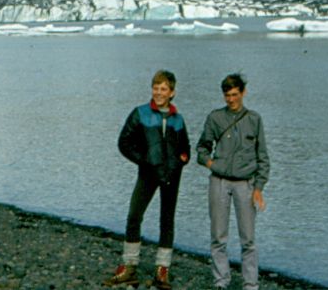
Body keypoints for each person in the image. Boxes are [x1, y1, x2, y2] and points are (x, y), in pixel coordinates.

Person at [104, 70, 191, 289]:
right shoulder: (140, 113)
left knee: (167, 221)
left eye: (163, 89)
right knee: (134, 215)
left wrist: (180, 161)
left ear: (172, 92)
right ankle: (129, 266)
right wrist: (143, 160)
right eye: (156, 88)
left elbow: (185, 148)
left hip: (172, 175)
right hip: (148, 173)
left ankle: (162, 270)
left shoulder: (178, 119)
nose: (159, 93)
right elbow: (124, 142)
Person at [196, 73, 270, 290]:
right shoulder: (215, 118)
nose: (231, 99)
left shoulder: (255, 119)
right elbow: (201, 149)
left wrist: (259, 188)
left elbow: (263, 158)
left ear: (243, 92)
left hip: (245, 184)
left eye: (235, 94)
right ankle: (221, 282)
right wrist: (211, 165)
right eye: (227, 95)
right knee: (218, 237)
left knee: (248, 239)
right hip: (218, 182)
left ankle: (250, 284)